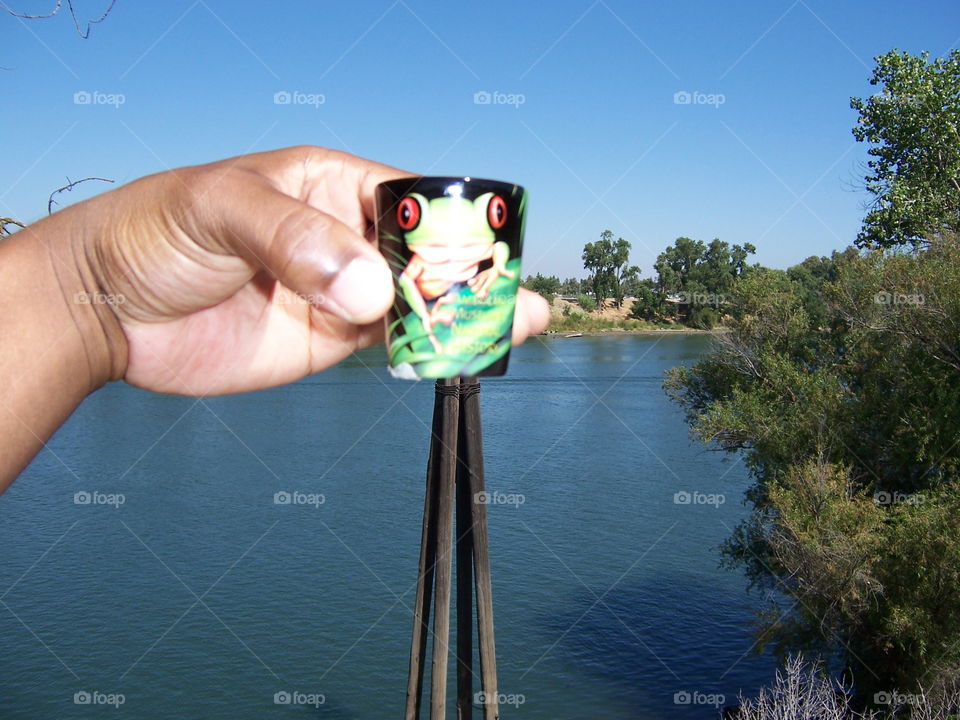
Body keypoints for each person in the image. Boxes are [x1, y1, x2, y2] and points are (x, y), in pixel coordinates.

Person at [0, 146, 550, 492]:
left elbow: (491, 262)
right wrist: (93, 284)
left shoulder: (486, 258)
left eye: (496, 215)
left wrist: (95, 297)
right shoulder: (409, 266)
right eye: (408, 215)